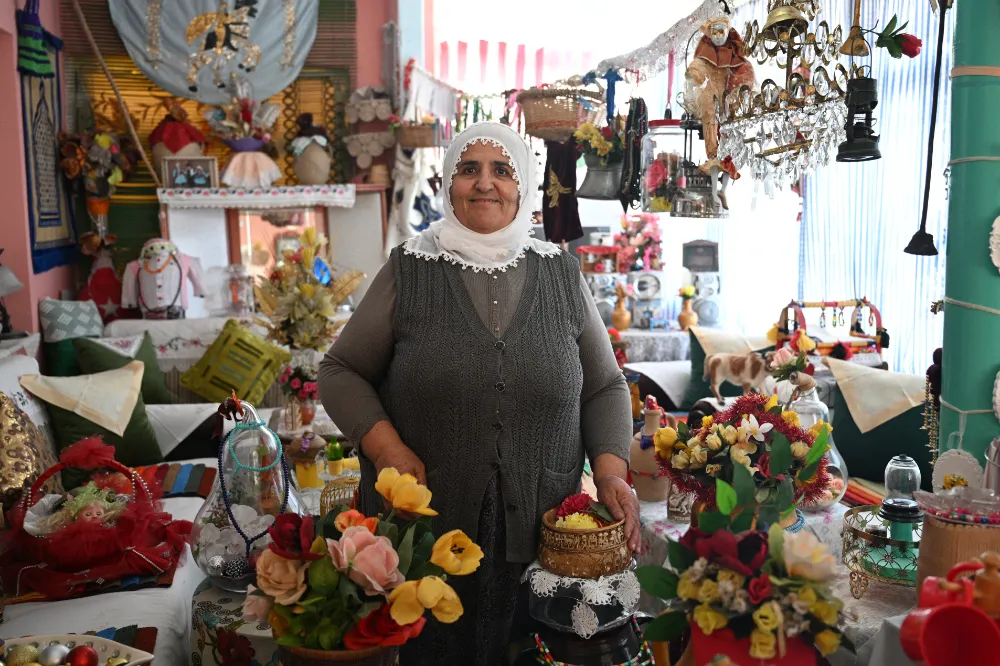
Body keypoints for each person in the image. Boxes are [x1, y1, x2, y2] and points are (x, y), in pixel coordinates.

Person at [318, 122, 638, 666]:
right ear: (448, 183)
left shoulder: (560, 272)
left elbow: (605, 386)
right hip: (425, 534)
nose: (485, 184)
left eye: (502, 170)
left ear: (524, 185)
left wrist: (610, 473)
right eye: (469, 169)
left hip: (546, 532)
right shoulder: (411, 270)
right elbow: (341, 369)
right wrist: (388, 451)